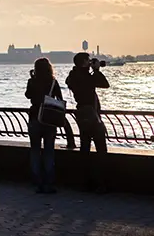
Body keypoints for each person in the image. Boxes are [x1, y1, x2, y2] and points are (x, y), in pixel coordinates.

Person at [65, 52, 110, 192]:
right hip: (92, 115)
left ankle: (85, 182)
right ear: (84, 62)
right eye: (89, 60)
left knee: (84, 148)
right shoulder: (87, 77)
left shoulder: (73, 76)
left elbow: (70, 81)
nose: (91, 62)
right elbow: (105, 84)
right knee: (101, 149)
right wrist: (96, 70)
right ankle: (100, 183)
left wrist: (90, 70)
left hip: (81, 114)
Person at [25, 58, 62, 194]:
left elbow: (28, 95)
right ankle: (49, 183)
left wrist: (32, 78)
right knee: (48, 151)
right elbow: (59, 97)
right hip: (49, 119)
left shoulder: (32, 81)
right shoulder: (53, 82)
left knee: (35, 150)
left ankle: (37, 183)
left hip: (35, 117)